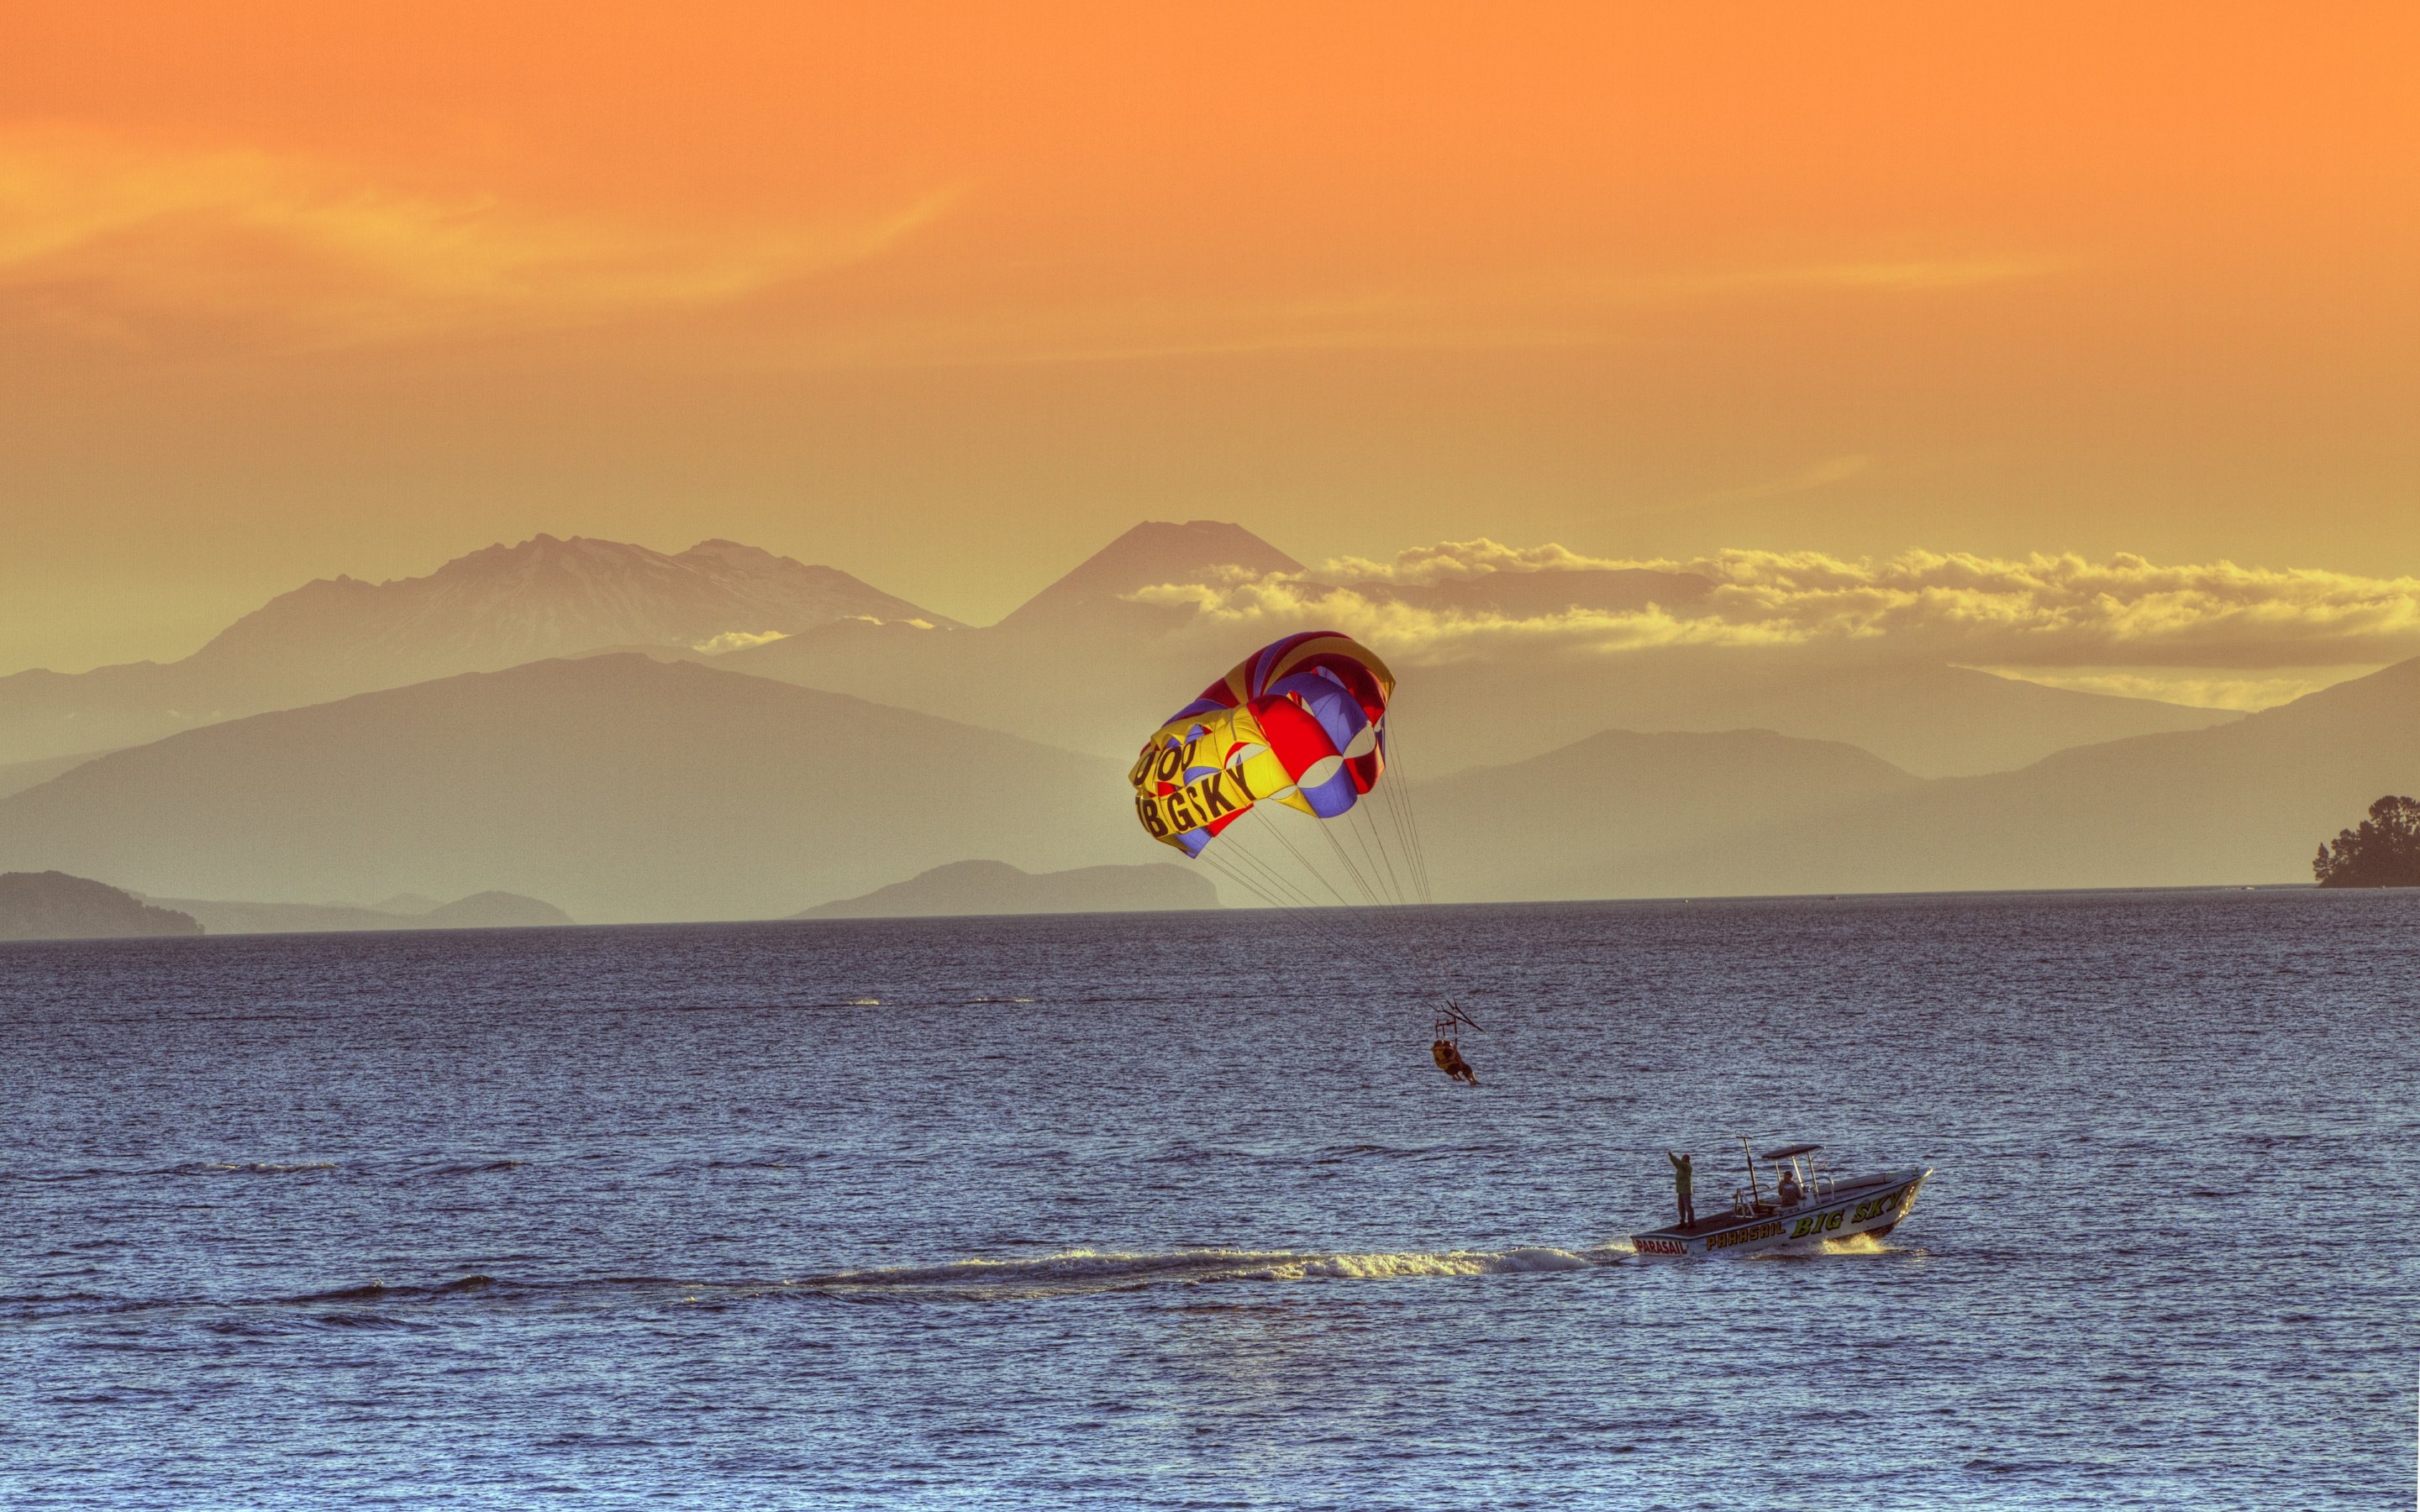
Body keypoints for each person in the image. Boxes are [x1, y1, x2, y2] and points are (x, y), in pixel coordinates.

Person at [1667, 1151, 1695, 1226]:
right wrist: (1671, 1157)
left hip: (1686, 1189)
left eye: (1683, 1158)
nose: (1682, 1159)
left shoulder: (1687, 1166)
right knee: (1681, 1207)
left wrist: (1672, 1156)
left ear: (1686, 1159)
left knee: (1687, 1207)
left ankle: (1691, 1222)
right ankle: (1682, 1221)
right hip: (1680, 1190)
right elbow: (1676, 1163)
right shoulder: (1681, 1167)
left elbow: (1679, 1163)